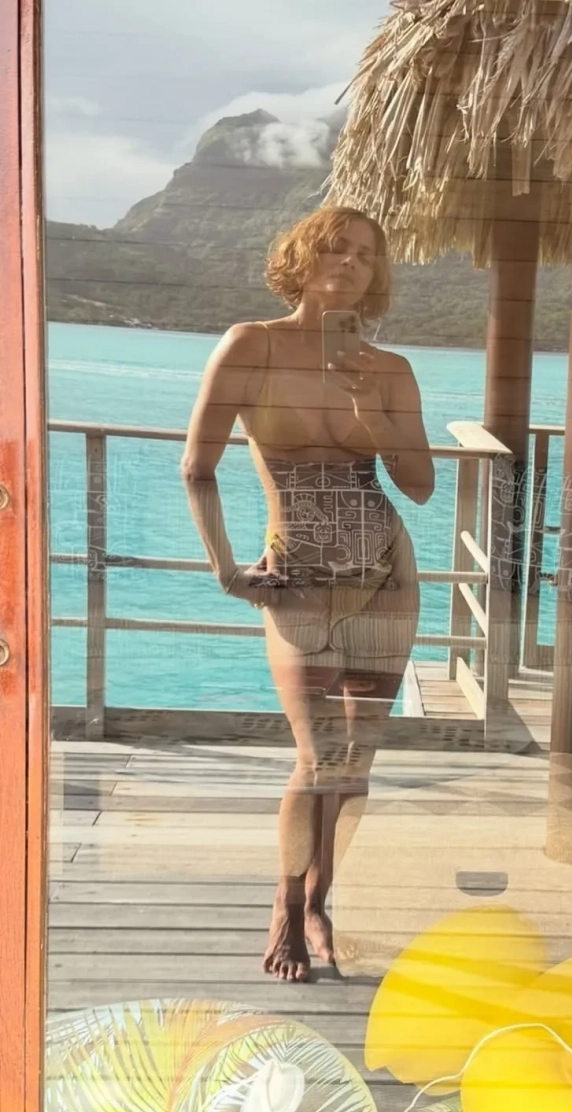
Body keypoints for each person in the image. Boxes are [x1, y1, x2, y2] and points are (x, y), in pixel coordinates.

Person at [181, 206, 434, 981]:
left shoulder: (389, 369)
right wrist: (227, 569)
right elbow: (198, 468)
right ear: (302, 255)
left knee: (355, 764)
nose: (351, 261)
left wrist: (371, 416)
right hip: (297, 578)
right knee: (316, 757)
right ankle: (286, 905)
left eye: (366, 254)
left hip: (386, 575)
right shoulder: (250, 345)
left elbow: (420, 484)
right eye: (336, 247)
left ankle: (322, 900)